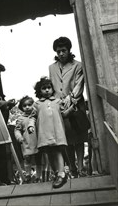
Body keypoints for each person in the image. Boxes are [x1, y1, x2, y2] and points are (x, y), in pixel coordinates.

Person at [49, 36, 89, 178]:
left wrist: (70, 99)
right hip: (60, 108)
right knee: (66, 139)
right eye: (58, 51)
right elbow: (53, 88)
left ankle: (80, 167)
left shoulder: (78, 65)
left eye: (63, 50)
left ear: (69, 50)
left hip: (76, 106)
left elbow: (79, 85)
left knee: (79, 138)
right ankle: (72, 168)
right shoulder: (52, 68)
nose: (61, 54)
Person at [28, 77, 68, 189]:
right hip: (44, 133)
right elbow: (32, 117)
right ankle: (56, 173)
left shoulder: (57, 101)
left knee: (58, 150)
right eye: (43, 88)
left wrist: (72, 108)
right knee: (49, 153)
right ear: (39, 91)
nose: (46, 90)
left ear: (52, 89)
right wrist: (31, 125)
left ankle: (61, 173)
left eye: (49, 88)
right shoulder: (37, 104)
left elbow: (64, 114)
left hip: (57, 132)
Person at [14, 95, 42, 183]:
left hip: (38, 140)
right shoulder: (21, 119)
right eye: (24, 106)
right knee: (27, 158)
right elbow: (17, 130)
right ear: (21, 108)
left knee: (39, 159)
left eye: (29, 105)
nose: (27, 107)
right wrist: (19, 137)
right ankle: (28, 174)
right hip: (26, 142)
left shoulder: (37, 116)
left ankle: (38, 176)